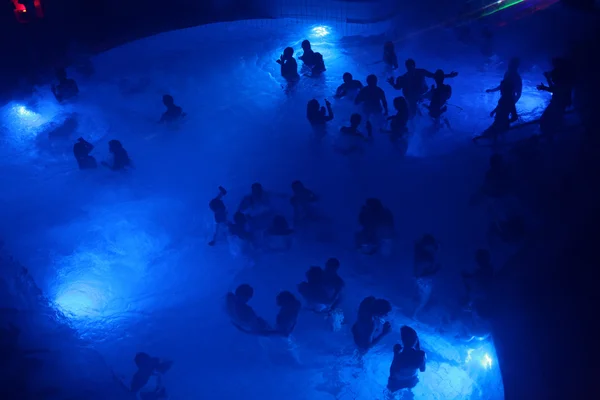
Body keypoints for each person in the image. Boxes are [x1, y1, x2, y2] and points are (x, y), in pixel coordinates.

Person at [387, 59, 458, 119]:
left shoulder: (420, 72)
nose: (410, 69)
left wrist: (449, 75)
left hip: (422, 93)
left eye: (411, 67)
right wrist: (392, 83)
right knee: (412, 115)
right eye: (409, 67)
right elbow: (397, 87)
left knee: (432, 102)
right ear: (407, 68)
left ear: (414, 66)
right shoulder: (404, 77)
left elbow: (435, 76)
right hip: (412, 97)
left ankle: (431, 113)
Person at [537, 57, 573, 140]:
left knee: (545, 121)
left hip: (558, 103)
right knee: (552, 122)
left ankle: (551, 140)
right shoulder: (563, 76)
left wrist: (547, 81)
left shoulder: (562, 77)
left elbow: (555, 89)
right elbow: (555, 89)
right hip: (559, 103)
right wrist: (546, 83)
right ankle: (552, 139)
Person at [387, 326, 426, 393]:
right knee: (409, 394)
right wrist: (418, 349)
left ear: (402, 340)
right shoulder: (421, 355)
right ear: (416, 339)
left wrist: (395, 354)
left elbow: (392, 372)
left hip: (396, 382)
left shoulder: (399, 356)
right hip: (411, 381)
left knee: (390, 394)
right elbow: (422, 370)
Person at [413, 234, 441, 319]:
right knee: (423, 299)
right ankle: (414, 315)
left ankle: (416, 311)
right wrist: (436, 270)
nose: (434, 247)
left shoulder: (420, 251)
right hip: (423, 281)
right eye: (432, 245)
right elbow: (422, 275)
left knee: (422, 296)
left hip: (420, 279)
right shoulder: (426, 258)